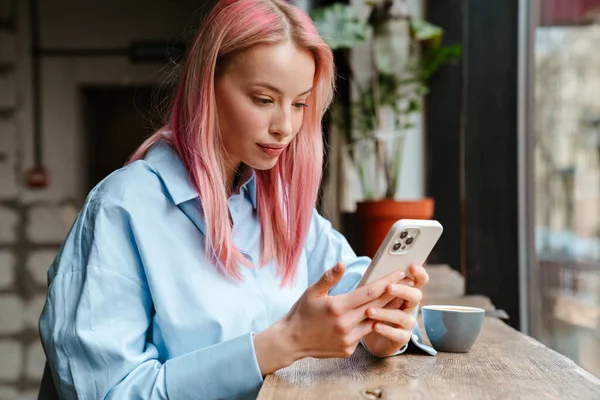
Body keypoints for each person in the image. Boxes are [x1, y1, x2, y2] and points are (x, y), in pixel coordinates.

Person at [38, 0, 430, 399]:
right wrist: (285, 343)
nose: (285, 127)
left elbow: (353, 281)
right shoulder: (120, 210)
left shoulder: (276, 202)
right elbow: (110, 392)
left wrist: (380, 331)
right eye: (263, 99)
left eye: (299, 104)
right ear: (205, 87)